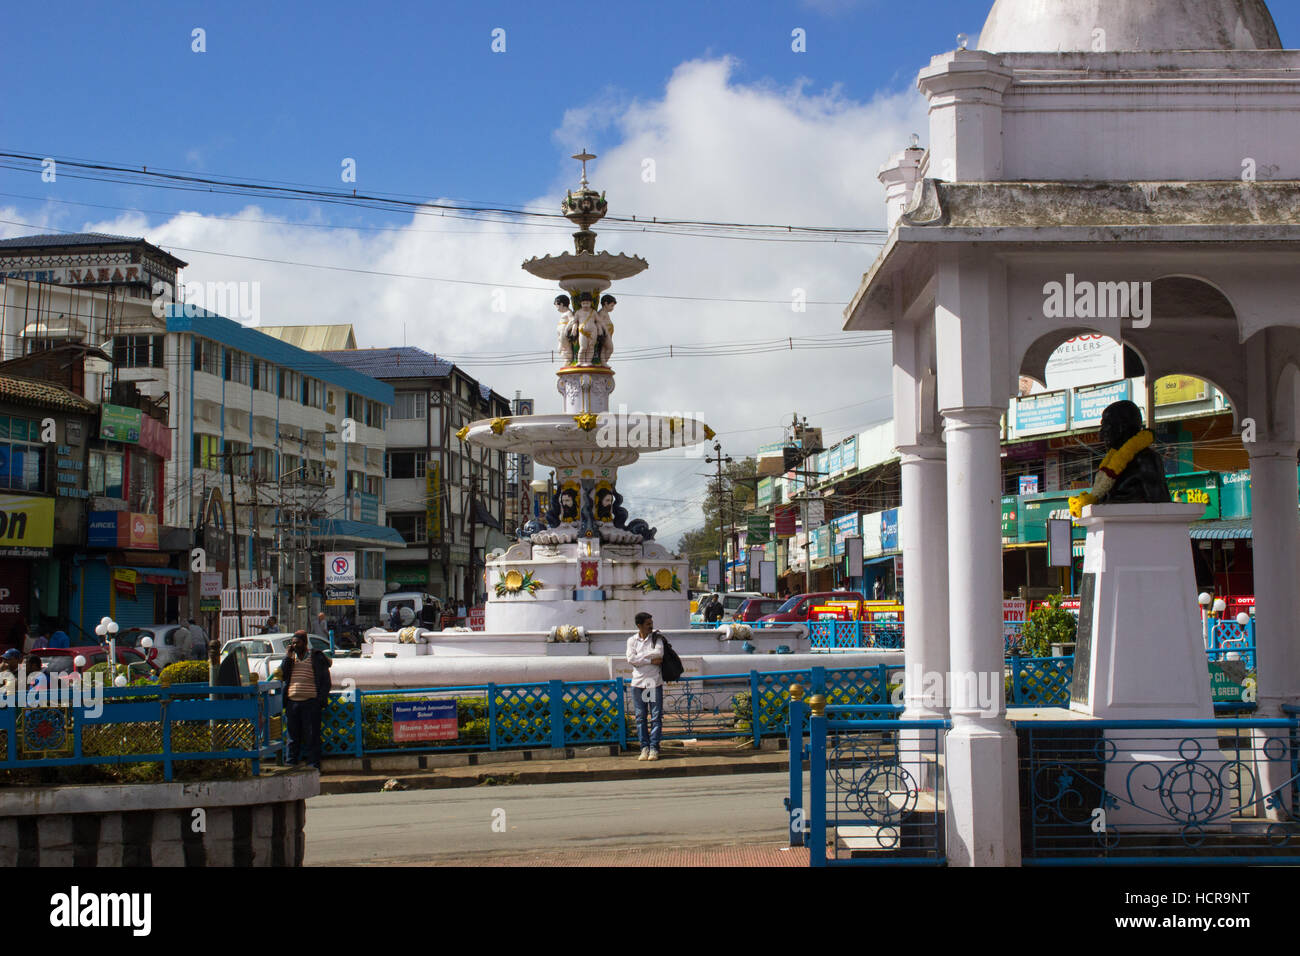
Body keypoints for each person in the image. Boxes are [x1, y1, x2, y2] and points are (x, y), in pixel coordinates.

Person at [278, 630, 332, 770]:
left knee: (312, 735)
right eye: (293, 643)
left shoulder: (315, 657)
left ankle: (313, 764)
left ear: (304, 643)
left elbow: (325, 680)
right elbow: (282, 673)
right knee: (292, 736)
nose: (295, 645)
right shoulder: (291, 660)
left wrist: (320, 699)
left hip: (310, 702)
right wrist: (287, 656)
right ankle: (291, 763)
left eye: (298, 643)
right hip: (292, 702)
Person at [625, 611, 665, 761]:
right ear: (639, 625)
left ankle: (654, 747)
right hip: (638, 682)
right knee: (640, 717)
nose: (651, 626)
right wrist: (648, 660)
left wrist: (639, 659)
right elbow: (630, 659)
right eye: (648, 624)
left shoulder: (657, 638)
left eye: (651, 623)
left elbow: (658, 654)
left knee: (655, 716)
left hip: (652, 682)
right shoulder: (632, 640)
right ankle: (644, 747)